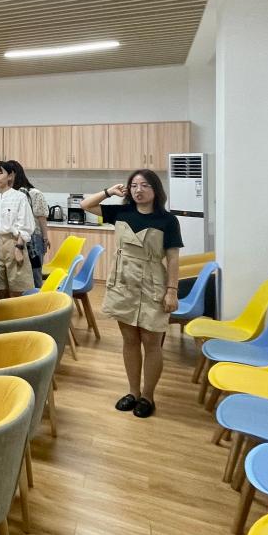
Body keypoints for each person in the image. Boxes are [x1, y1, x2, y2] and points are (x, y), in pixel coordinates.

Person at [81, 169, 183, 419]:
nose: (139, 190)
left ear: (156, 190)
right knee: (129, 340)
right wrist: (109, 192)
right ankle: (133, 392)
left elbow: (172, 259)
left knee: (151, 342)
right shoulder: (122, 212)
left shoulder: (167, 220)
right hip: (123, 282)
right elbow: (86, 205)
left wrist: (172, 291)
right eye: (134, 185)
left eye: (145, 185)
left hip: (153, 284)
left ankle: (148, 396)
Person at [0, 161, 35, 297]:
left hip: (13, 241)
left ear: (10, 176)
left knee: (18, 285)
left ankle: (17, 311)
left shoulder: (19, 197)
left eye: (0, 172)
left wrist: (19, 247)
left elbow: (25, 224)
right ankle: (1, 311)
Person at [2, 159, 51, 288]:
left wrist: (45, 238)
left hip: (33, 239)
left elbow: (41, 218)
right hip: (15, 239)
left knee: (35, 273)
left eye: (3, 173)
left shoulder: (34, 193)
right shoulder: (7, 194)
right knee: (20, 276)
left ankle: (37, 298)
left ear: (13, 174)